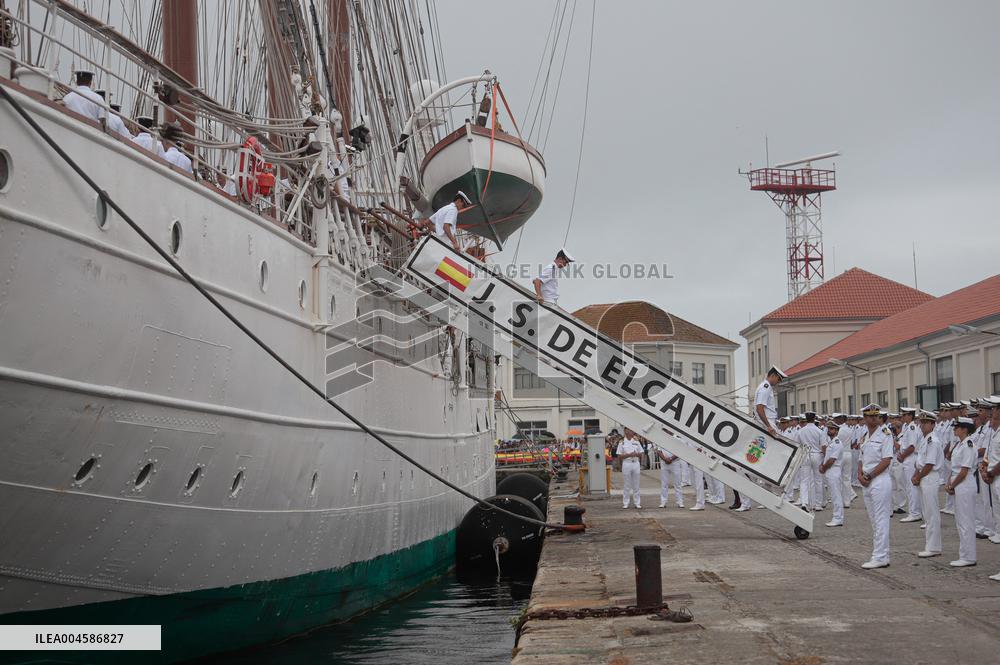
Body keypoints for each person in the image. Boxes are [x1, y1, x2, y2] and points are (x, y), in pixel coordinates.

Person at [858, 403, 894, 569]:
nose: (873, 418)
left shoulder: (885, 434)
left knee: (881, 520)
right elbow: (861, 458)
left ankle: (879, 556)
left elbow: (886, 460)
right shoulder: (865, 436)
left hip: (879, 479)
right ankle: (883, 554)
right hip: (867, 480)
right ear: (864, 418)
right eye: (870, 416)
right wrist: (860, 475)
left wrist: (869, 475)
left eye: (876, 415)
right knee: (874, 521)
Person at [947, 417, 978, 567]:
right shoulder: (960, 444)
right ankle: (964, 554)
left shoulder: (969, 445)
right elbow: (954, 468)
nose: (954, 429)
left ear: (965, 429)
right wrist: (950, 483)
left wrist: (952, 484)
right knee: (960, 521)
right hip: (958, 483)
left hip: (964, 484)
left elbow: (964, 470)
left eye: (957, 427)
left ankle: (969, 557)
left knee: (966, 521)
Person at [912, 409, 944, 558]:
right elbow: (920, 462)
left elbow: (929, 464)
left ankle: (934, 547)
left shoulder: (933, 441)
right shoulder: (925, 439)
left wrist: (918, 477)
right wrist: (916, 475)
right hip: (924, 476)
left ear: (933, 425)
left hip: (930, 477)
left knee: (931, 513)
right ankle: (931, 545)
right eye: (921, 422)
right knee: (927, 512)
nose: (922, 425)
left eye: (926, 423)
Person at [897, 408, 923, 523]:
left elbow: (912, 446)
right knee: (909, 486)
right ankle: (914, 511)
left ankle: (915, 512)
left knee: (912, 486)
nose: (902, 417)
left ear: (910, 416)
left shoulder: (911, 428)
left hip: (910, 458)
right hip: (907, 458)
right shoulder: (906, 427)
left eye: (904, 414)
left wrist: (902, 456)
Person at [797, 411, 826, 511]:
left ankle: (804, 502)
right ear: (814, 419)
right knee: (818, 480)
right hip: (817, 455)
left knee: (804, 480)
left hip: (805, 455)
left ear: (806, 418)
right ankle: (817, 504)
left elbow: (798, 445)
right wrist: (824, 458)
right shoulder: (819, 431)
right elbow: (823, 445)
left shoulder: (801, 431)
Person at [819, 421, 845, 527]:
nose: (829, 431)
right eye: (829, 429)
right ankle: (837, 517)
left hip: (834, 470)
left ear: (837, 431)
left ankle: (838, 518)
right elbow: (827, 457)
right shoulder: (831, 442)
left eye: (832, 429)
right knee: (833, 495)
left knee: (836, 495)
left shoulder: (837, 443)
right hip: (830, 470)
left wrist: (824, 468)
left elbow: (832, 459)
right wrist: (822, 465)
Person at [617, 428, 643, 509]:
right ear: (625, 431)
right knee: (627, 485)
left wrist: (636, 454)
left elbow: (641, 453)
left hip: (635, 463)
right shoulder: (622, 442)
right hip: (627, 463)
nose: (632, 432)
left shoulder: (636, 441)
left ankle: (637, 503)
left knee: (636, 484)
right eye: (630, 430)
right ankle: (626, 503)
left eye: (632, 430)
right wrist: (628, 455)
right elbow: (619, 456)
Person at [657, 444, 684, 509]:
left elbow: (679, 451)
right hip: (664, 463)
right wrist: (665, 459)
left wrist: (671, 458)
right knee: (664, 483)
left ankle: (680, 502)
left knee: (677, 483)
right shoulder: (662, 439)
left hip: (675, 463)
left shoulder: (676, 439)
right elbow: (659, 451)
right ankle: (663, 502)